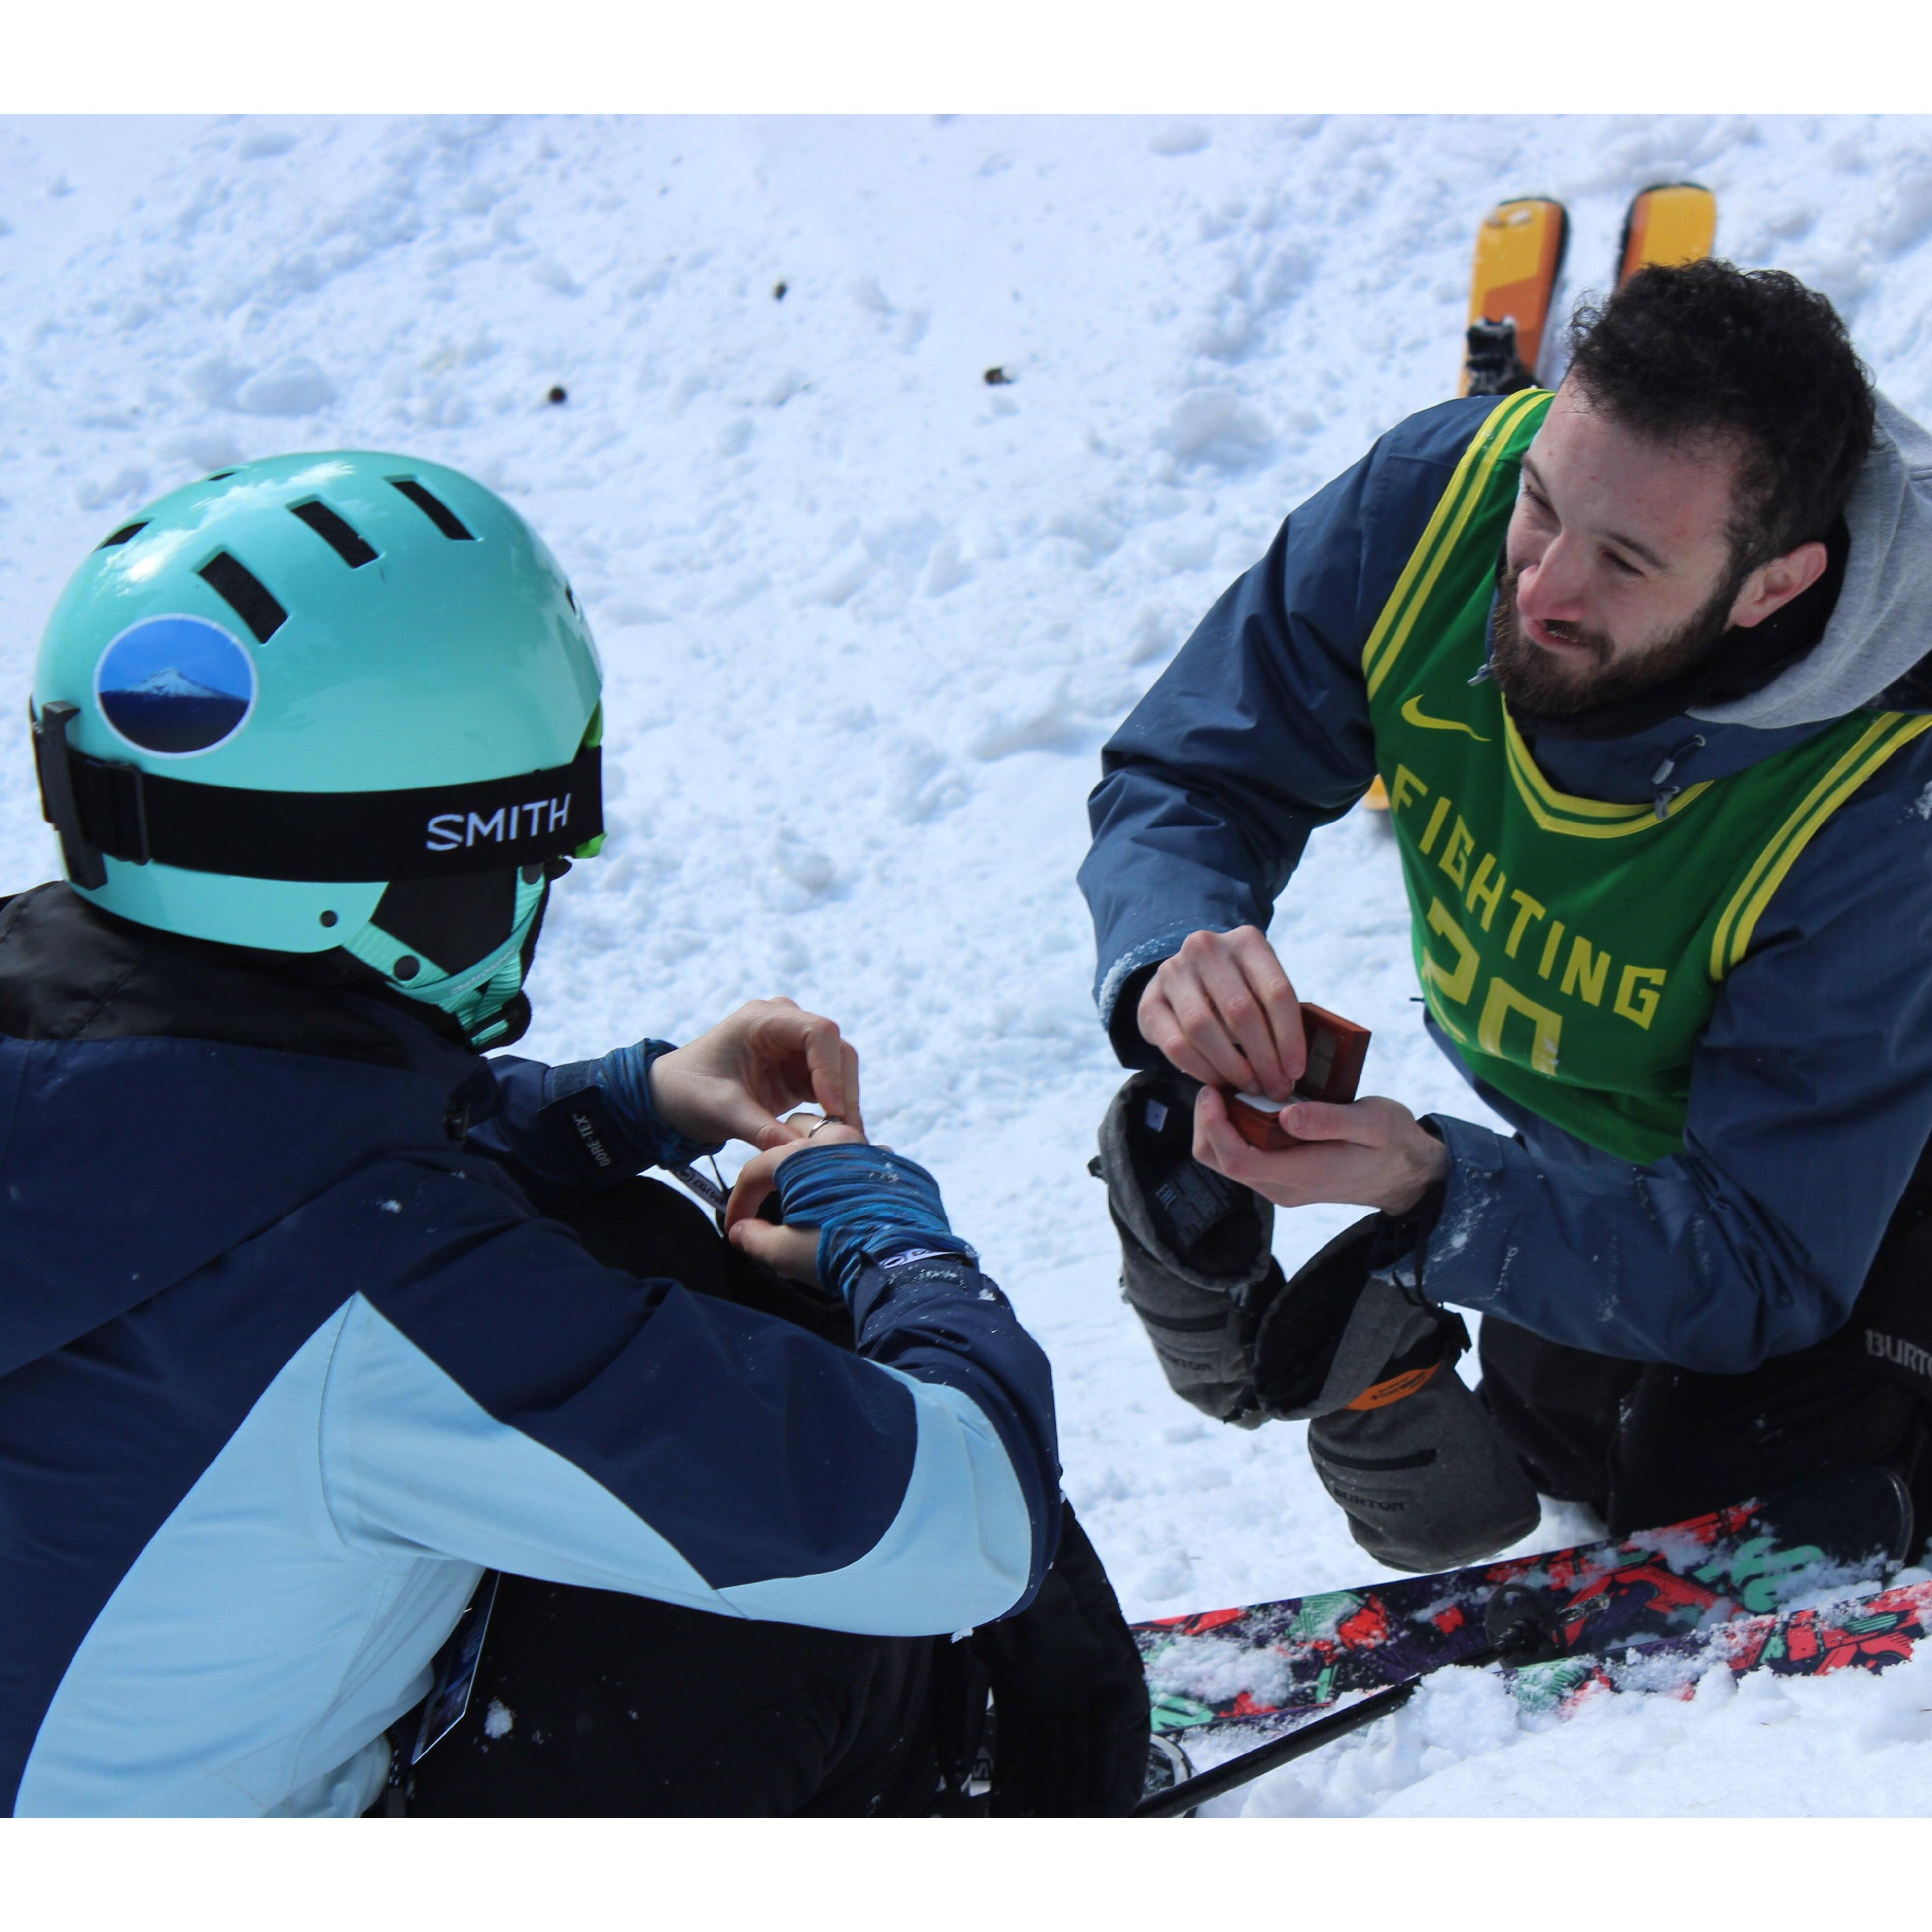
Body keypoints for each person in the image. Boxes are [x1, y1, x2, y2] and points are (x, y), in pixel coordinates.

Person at [0, 452, 1146, 1817]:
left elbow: (237, 1161)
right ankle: (1007, 1771)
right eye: (535, 851)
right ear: (446, 858)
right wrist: (889, 1235)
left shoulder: (65, 1044)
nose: (549, 881)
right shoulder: (383, 1308)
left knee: (607, 1228)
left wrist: (620, 1103)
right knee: (796, 1607)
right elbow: (969, 1519)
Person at [1081, 260, 1932, 1570]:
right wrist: (1170, 952)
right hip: (1625, 1145)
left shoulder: (1879, 801)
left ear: (1773, 586)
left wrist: (1436, 1192)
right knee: (1561, 1430)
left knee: (1727, 1514)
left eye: (1627, 559)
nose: (1539, 587)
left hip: (1863, 1187)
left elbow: (1766, 1257)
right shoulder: (1437, 500)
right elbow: (1197, 770)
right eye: (1544, 503)